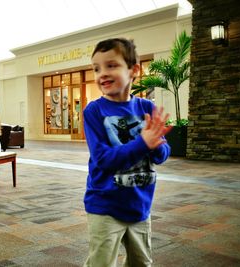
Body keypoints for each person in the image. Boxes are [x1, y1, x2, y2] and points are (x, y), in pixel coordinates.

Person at [83, 38, 172, 267]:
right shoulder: (94, 111)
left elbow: (161, 154)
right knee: (101, 263)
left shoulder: (146, 109)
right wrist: (143, 142)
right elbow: (103, 159)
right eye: (96, 68)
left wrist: (157, 146)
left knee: (142, 263)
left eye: (111, 65)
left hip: (140, 206)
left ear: (134, 70)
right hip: (105, 206)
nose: (102, 73)